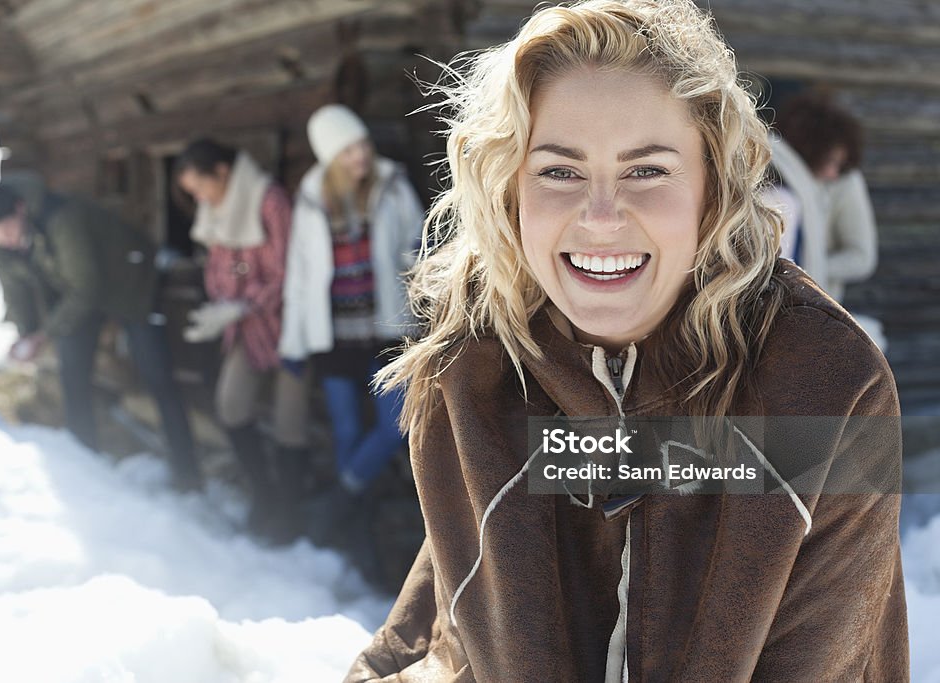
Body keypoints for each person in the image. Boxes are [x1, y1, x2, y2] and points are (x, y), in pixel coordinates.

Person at [347, 1, 908, 680]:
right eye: (559, 170)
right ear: (509, 189)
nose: (602, 218)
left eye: (647, 170)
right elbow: (444, 631)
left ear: (713, 186)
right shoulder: (473, 370)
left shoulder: (824, 384)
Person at [0, 173, 202, 490]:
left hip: (129, 284)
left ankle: (187, 472)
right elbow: (16, 289)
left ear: (21, 209)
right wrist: (26, 333)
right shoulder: (1, 239)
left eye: (8, 228)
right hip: (79, 297)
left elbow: (87, 286)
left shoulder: (62, 217)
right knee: (73, 378)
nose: (4, 237)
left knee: (157, 377)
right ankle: (87, 472)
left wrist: (44, 334)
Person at [279, 104, 424, 557]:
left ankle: (340, 500)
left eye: (362, 145)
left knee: (396, 424)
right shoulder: (310, 199)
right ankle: (354, 538)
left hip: (387, 326)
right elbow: (300, 275)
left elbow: (420, 240)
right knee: (345, 429)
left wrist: (413, 265)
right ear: (329, 158)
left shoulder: (392, 185)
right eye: (347, 151)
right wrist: (293, 344)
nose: (360, 156)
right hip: (334, 333)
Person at [175, 137, 308, 541]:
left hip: (290, 327)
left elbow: (288, 271)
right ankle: (263, 494)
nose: (198, 197)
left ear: (222, 172)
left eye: (200, 187)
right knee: (230, 407)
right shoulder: (215, 210)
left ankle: (289, 513)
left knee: (291, 423)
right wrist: (218, 309)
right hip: (244, 329)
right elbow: (217, 265)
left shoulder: (270, 201)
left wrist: (243, 304)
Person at [774, 92, 886, 348]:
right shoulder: (785, 175)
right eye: (830, 161)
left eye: (840, 163)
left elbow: (862, 257)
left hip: (818, 308)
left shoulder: (846, 183)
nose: (833, 172)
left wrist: (811, 269)